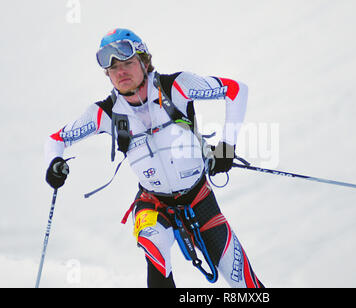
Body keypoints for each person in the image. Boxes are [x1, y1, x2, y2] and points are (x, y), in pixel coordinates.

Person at [44, 28, 264, 288]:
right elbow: (56, 140)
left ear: (144, 61)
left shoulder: (177, 87)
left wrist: (226, 148)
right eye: (113, 69)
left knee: (246, 286)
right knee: (154, 243)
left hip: (199, 199)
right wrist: (53, 165)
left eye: (127, 63)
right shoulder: (104, 113)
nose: (120, 72)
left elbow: (236, 90)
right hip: (153, 204)